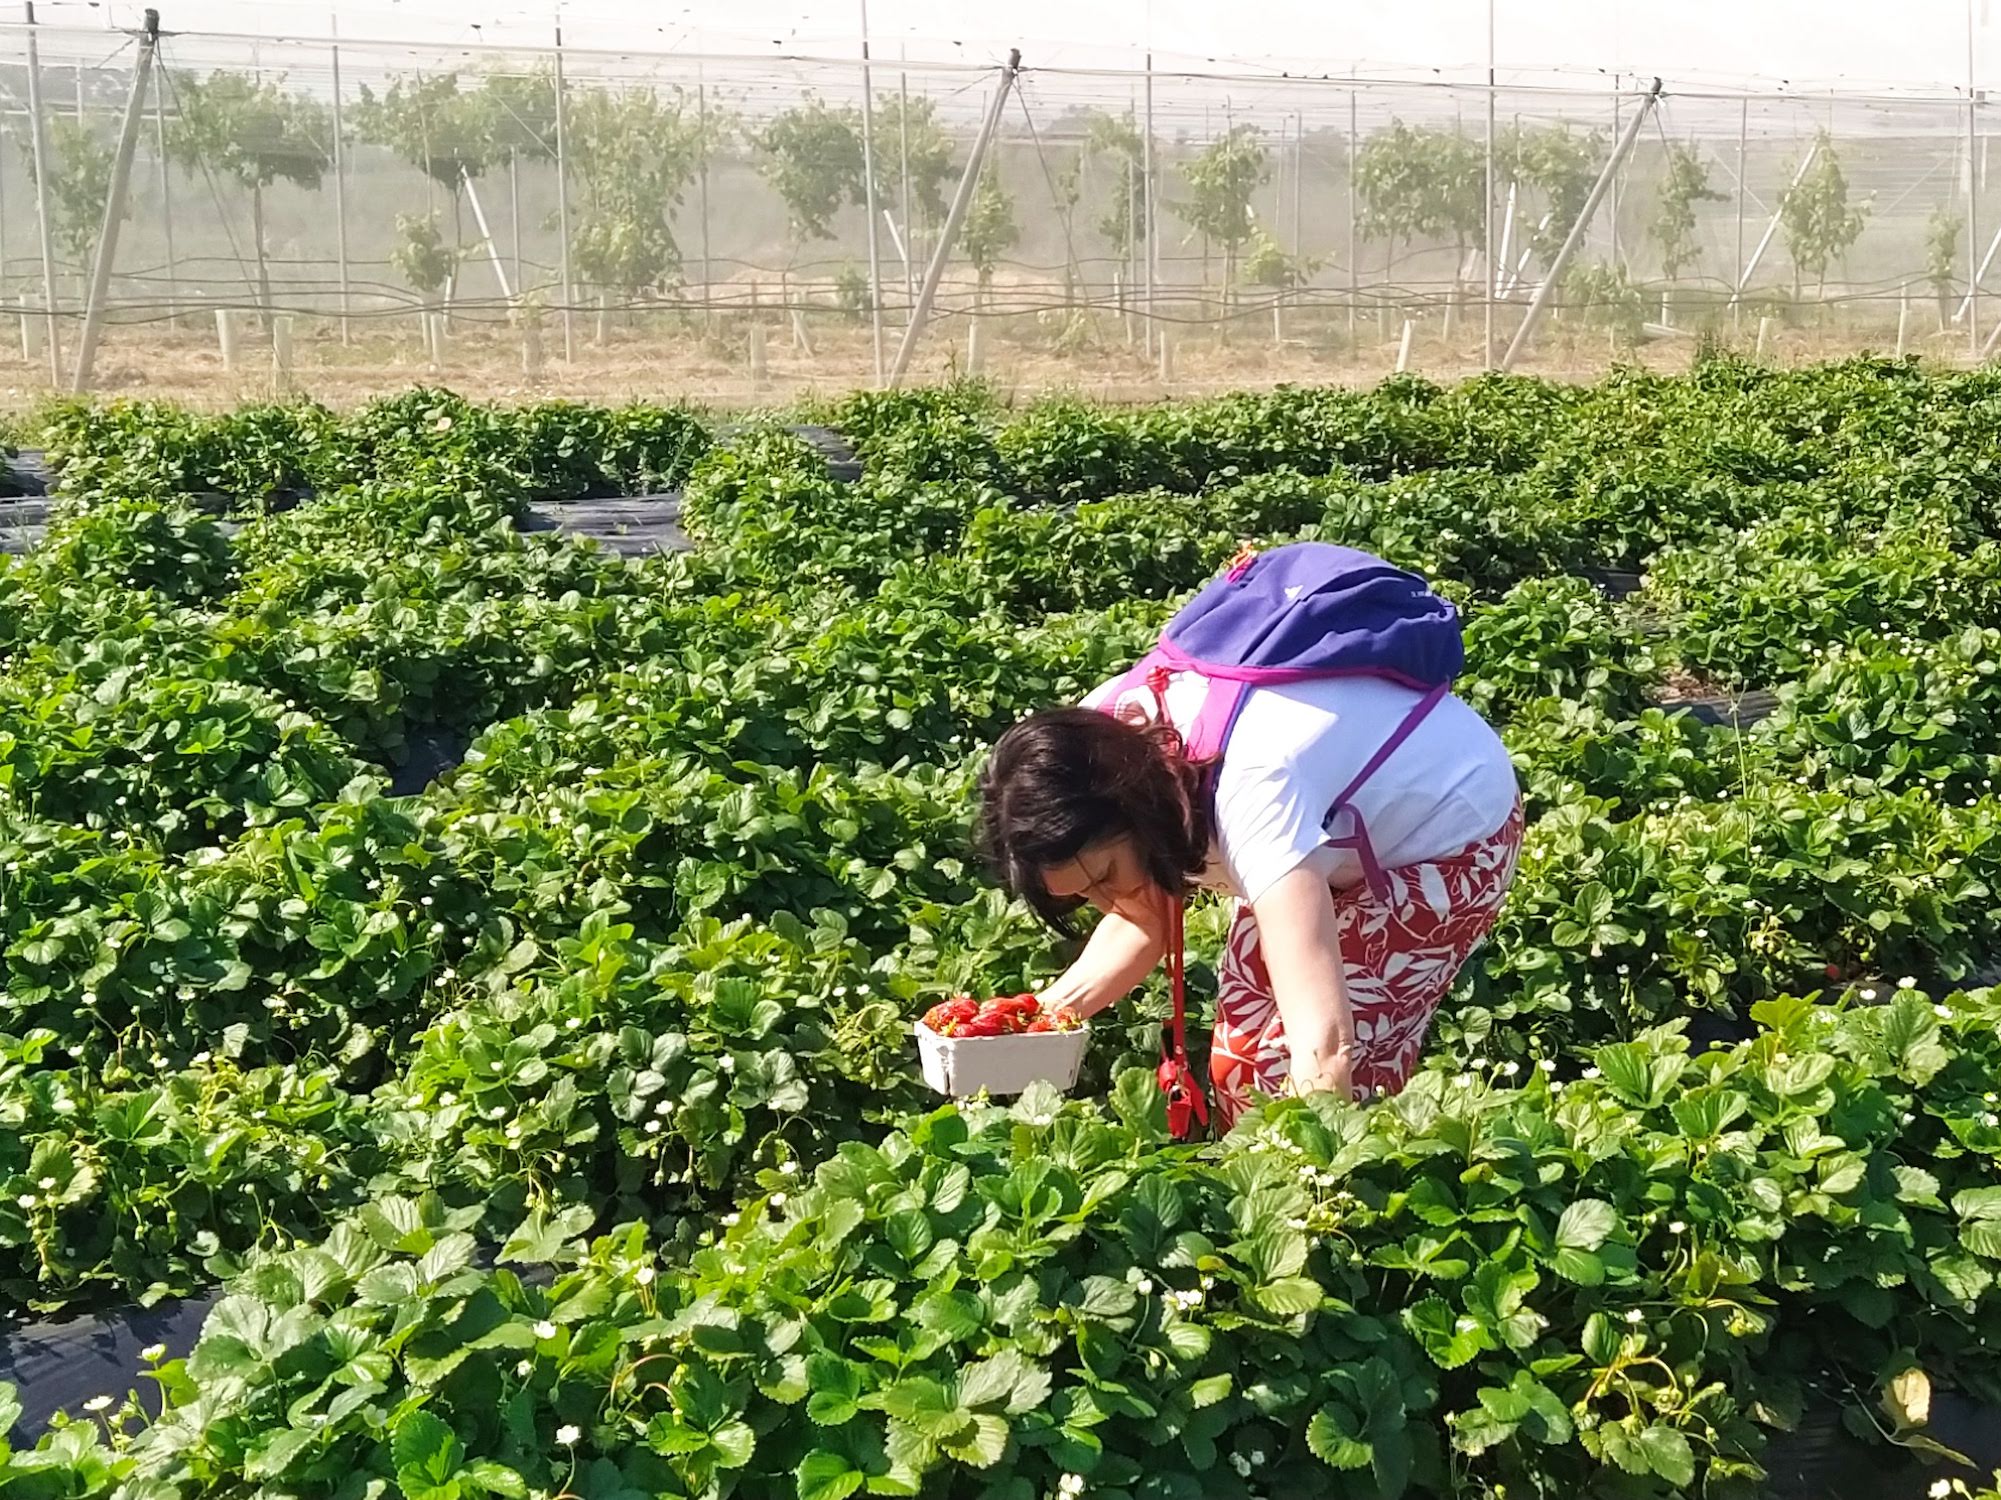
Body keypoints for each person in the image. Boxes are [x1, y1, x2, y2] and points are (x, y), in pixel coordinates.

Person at [977, 552, 1523, 1130]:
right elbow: (1143, 918)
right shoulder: (1092, 745)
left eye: (1106, 878)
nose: (1111, 903)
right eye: (1083, 894)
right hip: (1326, 831)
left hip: (1448, 835)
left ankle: (1366, 1194)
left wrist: (1297, 1169)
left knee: (1317, 1068)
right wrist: (1034, 1022)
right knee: (1239, 1064)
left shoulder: (1254, 789)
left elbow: (1326, 1042)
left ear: (1132, 810)